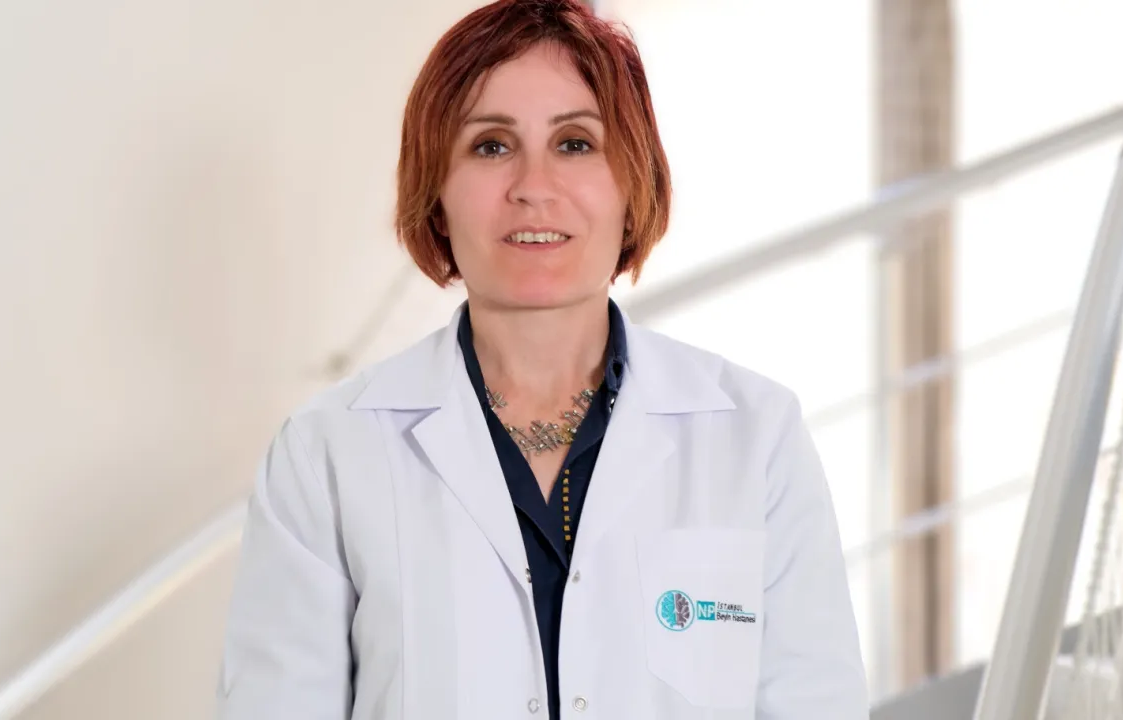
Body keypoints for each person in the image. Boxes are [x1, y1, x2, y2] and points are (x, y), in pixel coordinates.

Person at [215, 0, 868, 717]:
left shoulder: (757, 437)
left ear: (633, 184)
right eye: (491, 145)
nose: (533, 186)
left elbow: (816, 702)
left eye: (576, 143)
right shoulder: (327, 454)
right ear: (437, 196)